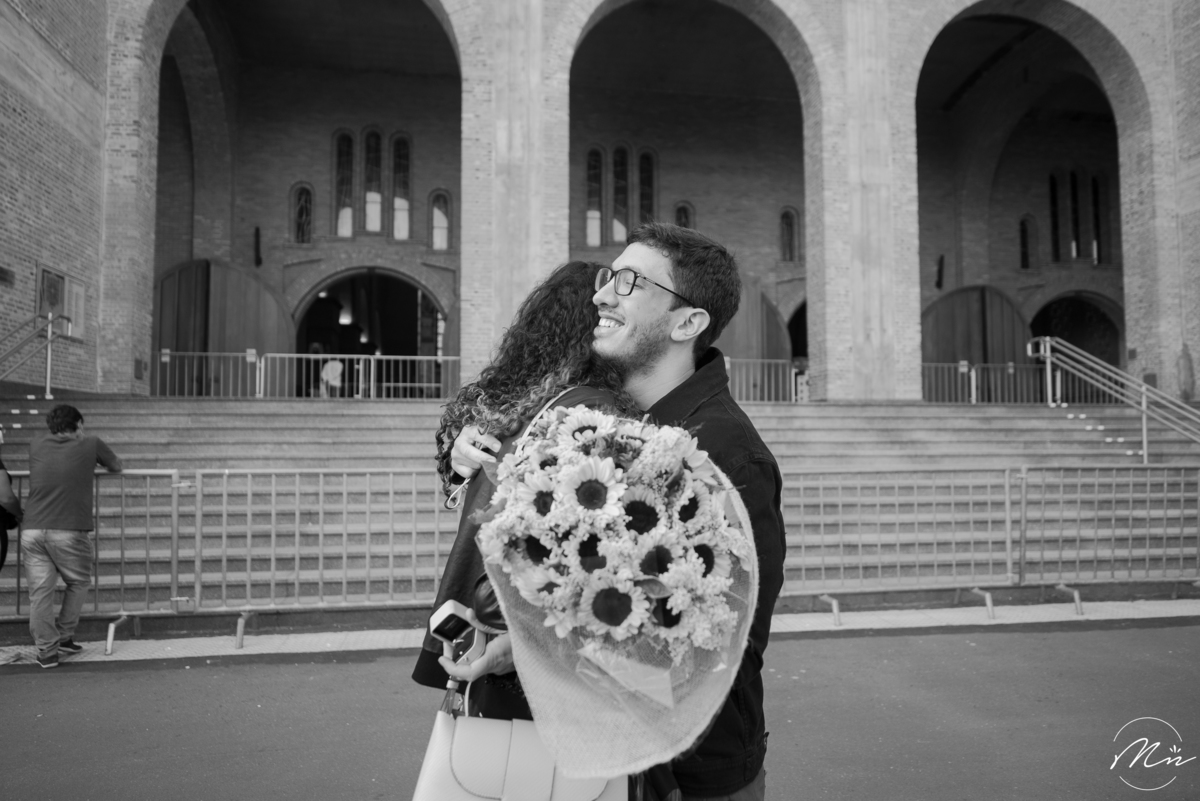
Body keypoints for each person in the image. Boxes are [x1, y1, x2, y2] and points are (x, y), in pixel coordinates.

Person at [451, 222, 786, 801]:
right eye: (610, 276)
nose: (602, 293)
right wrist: (528, 647)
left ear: (688, 322)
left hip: (692, 778)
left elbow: (713, 665)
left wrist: (567, 658)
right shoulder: (615, 428)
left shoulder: (730, 457)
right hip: (613, 764)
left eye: (629, 281)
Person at [411, 261, 636, 715]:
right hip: (523, 631)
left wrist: (456, 466)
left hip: (482, 613)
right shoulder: (590, 411)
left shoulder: (516, 400)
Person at [21, 404, 123, 668]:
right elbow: (116, 465)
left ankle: (47, 652)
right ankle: (65, 636)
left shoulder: (36, 443)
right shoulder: (90, 443)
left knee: (40, 594)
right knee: (78, 582)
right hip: (68, 528)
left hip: (32, 528)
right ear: (78, 424)